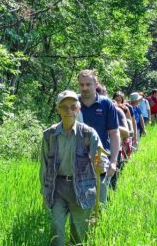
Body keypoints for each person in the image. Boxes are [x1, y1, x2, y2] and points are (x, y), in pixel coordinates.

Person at [40, 90, 108, 246]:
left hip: (83, 187)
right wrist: (44, 192)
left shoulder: (88, 133)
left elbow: (100, 156)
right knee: (56, 228)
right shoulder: (49, 135)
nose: (68, 111)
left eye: (72, 107)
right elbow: (43, 165)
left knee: (78, 234)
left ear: (78, 109)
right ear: (58, 110)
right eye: (64, 107)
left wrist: (101, 164)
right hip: (57, 188)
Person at [77, 70, 120, 203]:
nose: (84, 88)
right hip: (78, 156)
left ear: (96, 84)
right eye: (81, 84)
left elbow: (114, 133)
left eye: (88, 84)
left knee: (100, 200)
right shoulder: (73, 104)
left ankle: (100, 222)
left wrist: (113, 161)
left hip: (100, 157)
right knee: (79, 200)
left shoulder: (106, 104)